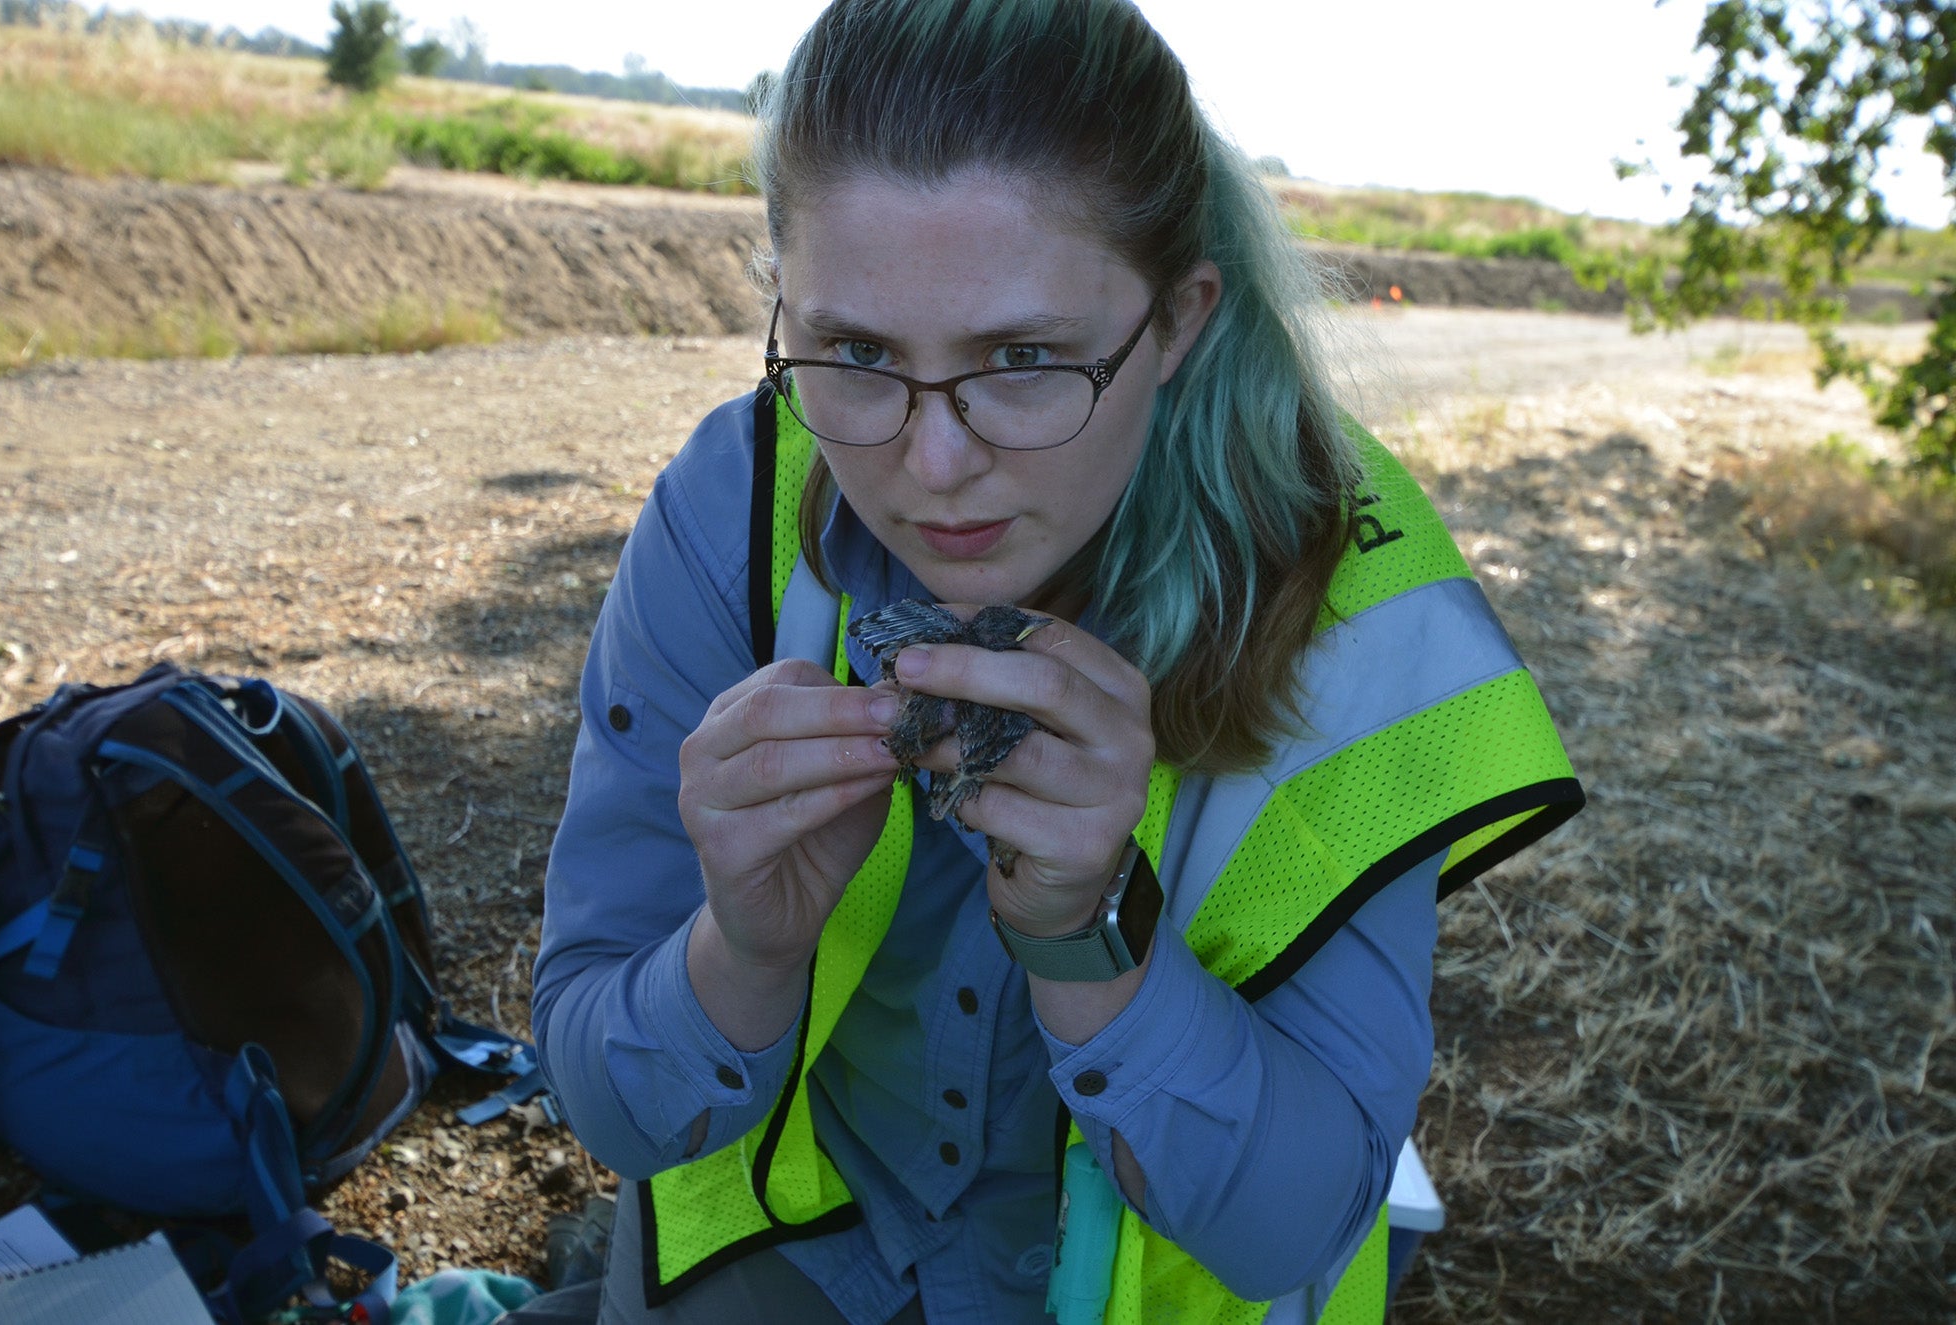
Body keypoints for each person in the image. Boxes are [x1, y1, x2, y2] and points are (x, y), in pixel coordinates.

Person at [512, 1, 1583, 1322]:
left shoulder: (1350, 608)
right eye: (855, 353)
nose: (935, 466)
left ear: (1180, 321)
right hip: (789, 1255)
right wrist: (737, 947)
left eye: (1023, 360)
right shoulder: (731, 508)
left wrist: (1094, 941)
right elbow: (605, 1097)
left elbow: (1299, 1223)